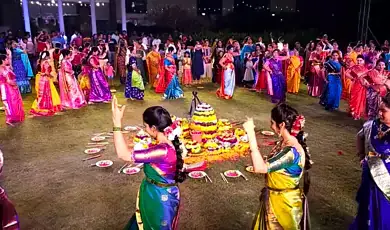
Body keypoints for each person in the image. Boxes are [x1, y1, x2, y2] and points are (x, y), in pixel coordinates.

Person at [111, 99, 186, 230]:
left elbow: (123, 155)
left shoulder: (162, 151)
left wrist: (117, 123)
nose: (144, 129)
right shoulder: (169, 141)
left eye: (145, 126)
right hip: (159, 193)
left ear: (154, 128)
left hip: (158, 198)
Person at [243, 103, 311, 230]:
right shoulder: (285, 143)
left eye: (272, 123)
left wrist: (251, 135)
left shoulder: (291, 152)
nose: (271, 126)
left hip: (283, 206)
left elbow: (260, 168)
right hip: (276, 199)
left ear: (282, 125)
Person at [350, 93, 390, 230]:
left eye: (383, 111)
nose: (379, 113)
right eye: (379, 109)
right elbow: (359, 137)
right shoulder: (371, 125)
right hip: (370, 171)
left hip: (387, 176)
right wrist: (361, 156)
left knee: (384, 206)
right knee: (367, 202)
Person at [30, 51, 62, 116]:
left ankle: (39, 105)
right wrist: (51, 76)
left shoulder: (40, 61)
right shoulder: (46, 63)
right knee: (47, 93)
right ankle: (46, 106)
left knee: (42, 94)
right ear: (47, 56)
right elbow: (47, 73)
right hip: (46, 79)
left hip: (41, 79)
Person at [0, 54, 25, 125]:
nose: (8, 60)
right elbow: (8, 80)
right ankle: (10, 118)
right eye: (7, 59)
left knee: (7, 102)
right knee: (10, 102)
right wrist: (15, 85)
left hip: (2, 87)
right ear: (3, 60)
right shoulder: (4, 69)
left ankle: (10, 118)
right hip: (7, 88)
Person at [346, 55, 368, 120]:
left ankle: (357, 114)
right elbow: (346, 73)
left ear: (363, 61)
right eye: (357, 60)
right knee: (355, 99)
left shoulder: (366, 69)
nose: (359, 62)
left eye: (360, 60)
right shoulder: (353, 67)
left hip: (363, 86)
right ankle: (353, 112)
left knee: (361, 100)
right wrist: (353, 78)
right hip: (355, 85)